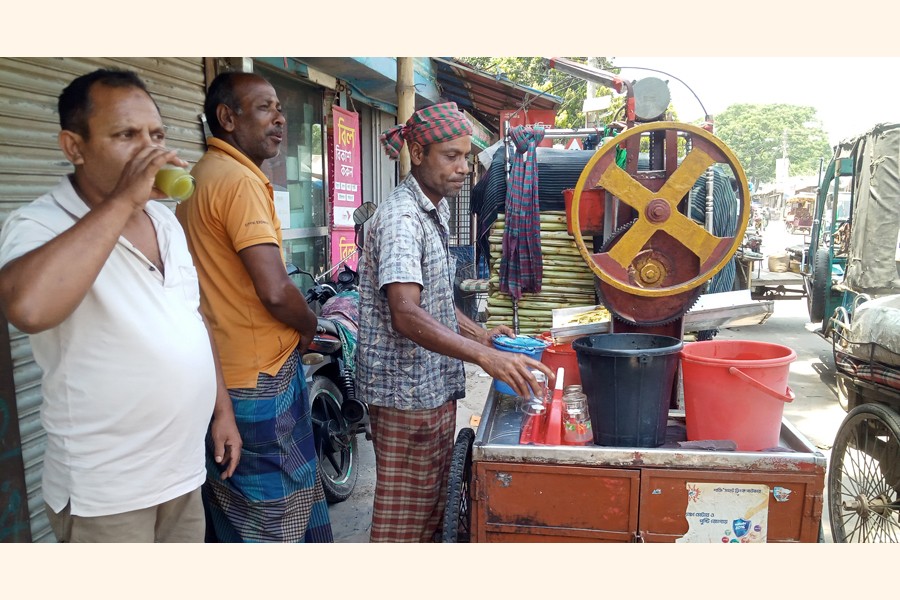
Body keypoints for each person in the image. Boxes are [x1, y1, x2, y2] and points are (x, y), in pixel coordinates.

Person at [0, 68, 241, 543]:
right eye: (126, 135)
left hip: (182, 473)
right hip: (105, 495)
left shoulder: (165, 220)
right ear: (74, 147)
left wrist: (222, 411)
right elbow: (28, 309)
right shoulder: (39, 224)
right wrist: (121, 201)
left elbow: (190, 320)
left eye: (156, 135)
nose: (149, 150)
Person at [357, 102, 554, 543]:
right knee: (403, 521)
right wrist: (484, 356)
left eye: (467, 156)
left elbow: (435, 300)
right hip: (405, 394)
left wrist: (480, 334)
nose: (464, 167)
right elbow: (406, 313)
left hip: (431, 387)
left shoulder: (434, 209)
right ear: (417, 152)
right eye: (451, 156)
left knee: (430, 506)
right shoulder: (403, 219)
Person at [176, 71, 332, 543]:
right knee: (275, 520)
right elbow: (276, 290)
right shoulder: (239, 181)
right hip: (257, 378)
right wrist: (312, 326)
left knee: (238, 518)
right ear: (227, 117)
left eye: (280, 109)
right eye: (265, 108)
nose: (280, 119)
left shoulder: (198, 177)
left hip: (222, 376)